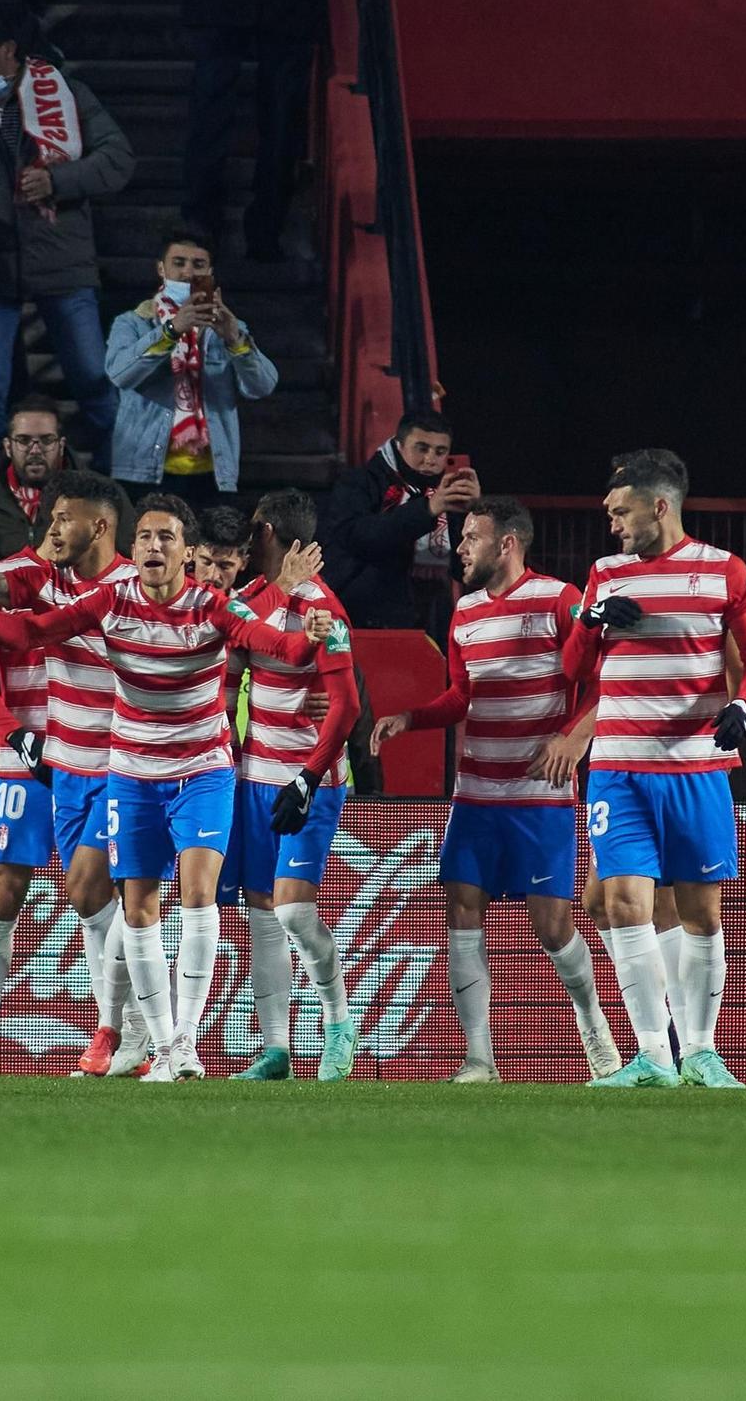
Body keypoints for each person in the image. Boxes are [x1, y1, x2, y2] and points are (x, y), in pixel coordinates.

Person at [0, 495, 333, 1082]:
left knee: (199, 894)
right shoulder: (110, 602)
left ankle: (182, 1040)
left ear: (187, 553)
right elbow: (31, 631)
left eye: (168, 538)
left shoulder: (212, 607)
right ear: (134, 549)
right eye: (148, 537)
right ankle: (158, 1043)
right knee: (137, 909)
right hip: (131, 772)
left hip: (202, 771)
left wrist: (309, 637)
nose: (156, 546)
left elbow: (274, 645)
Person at [369, 498, 623, 1084]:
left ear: (507, 544)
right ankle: (479, 1059)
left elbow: (603, 677)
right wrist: (414, 718)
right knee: (461, 913)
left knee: (553, 926)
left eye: (471, 539)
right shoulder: (463, 612)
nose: (460, 549)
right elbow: (463, 694)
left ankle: (598, 1037)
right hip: (476, 795)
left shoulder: (560, 600)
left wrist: (572, 737)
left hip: (540, 797)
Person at [560, 450, 746, 1090]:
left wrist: (744, 705)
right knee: (624, 903)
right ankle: (653, 1054)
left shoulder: (722, 572)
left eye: (622, 512)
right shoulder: (605, 573)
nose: (613, 524)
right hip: (618, 767)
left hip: (694, 766)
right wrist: (591, 620)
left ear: (660, 507)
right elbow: (572, 668)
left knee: (701, 914)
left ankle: (701, 1051)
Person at [0, 471, 142, 1078]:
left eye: (67, 516)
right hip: (28, 760)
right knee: (5, 889)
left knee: (100, 893)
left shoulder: (130, 588)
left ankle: (120, 1029)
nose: (57, 525)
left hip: (110, 757)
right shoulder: (22, 577)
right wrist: (13, 734)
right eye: (54, 516)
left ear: (97, 523)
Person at [0, 0, 134, 474]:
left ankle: (122, 488)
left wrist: (58, 181)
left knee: (92, 383)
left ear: (9, 48)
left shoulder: (68, 93)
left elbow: (119, 160)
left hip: (62, 264)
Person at [221, 488, 361, 1082]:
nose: (248, 544)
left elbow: (347, 707)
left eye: (254, 533)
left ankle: (338, 1022)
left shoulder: (325, 608)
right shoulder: (252, 598)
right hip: (254, 776)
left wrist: (308, 778)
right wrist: (226, 747)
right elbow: (231, 672)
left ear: (269, 532)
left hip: (309, 781)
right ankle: (275, 1048)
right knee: (261, 915)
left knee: (294, 912)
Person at [106, 226, 277, 508]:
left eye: (198, 265)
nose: (187, 273)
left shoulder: (229, 328)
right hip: (144, 470)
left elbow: (263, 386)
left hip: (212, 473)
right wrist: (171, 331)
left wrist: (235, 340)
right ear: (161, 269)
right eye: (178, 263)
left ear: (210, 273)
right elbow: (119, 374)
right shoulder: (133, 323)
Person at [179, 0, 323, 263]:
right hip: (285, 12)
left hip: (225, 12)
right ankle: (263, 230)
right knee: (280, 113)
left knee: (213, 103)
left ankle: (202, 220)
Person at [320, 410, 477, 635]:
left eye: (440, 452)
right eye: (421, 448)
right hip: (363, 619)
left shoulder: (447, 492)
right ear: (399, 445)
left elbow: (463, 570)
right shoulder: (358, 482)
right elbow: (357, 538)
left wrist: (470, 512)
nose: (430, 459)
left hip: (429, 621)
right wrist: (428, 509)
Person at [0, 394, 66, 561]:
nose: (35, 450)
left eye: (46, 440)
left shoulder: (97, 498)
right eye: (24, 440)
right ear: (8, 447)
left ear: (61, 446)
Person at [190, 503, 250, 592]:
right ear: (192, 553)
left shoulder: (248, 605)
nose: (213, 576)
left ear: (243, 563)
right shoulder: (165, 597)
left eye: (224, 566)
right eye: (206, 562)